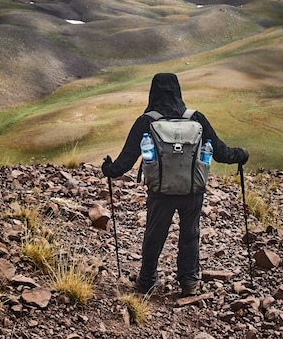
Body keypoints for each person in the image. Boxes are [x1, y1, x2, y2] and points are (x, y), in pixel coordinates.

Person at [101, 72, 249, 296]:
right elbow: (220, 152)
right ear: (178, 91)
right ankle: (189, 282)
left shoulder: (147, 121)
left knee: (154, 235)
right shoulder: (196, 118)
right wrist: (241, 155)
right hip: (192, 190)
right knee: (190, 234)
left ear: (153, 92)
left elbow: (126, 160)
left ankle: (147, 281)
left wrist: (109, 169)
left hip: (161, 192)